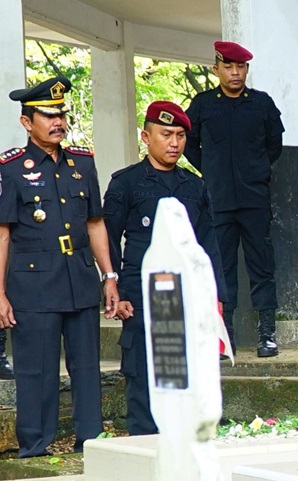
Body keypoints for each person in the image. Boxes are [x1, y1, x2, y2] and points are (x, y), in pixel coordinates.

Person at [0, 77, 119, 457]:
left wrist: (110, 276)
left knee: (87, 368)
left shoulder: (82, 163)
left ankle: (91, 443)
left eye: (62, 114)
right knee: (37, 371)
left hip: (80, 278)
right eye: (48, 115)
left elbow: (95, 222)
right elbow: (2, 234)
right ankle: (35, 447)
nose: (59, 122)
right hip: (33, 284)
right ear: (26, 121)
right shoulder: (11, 168)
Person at [103, 101, 226, 435]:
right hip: (140, 295)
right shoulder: (126, 183)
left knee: (192, 373)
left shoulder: (195, 186)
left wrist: (216, 298)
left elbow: (208, 245)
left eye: (181, 135)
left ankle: (188, 439)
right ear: (146, 136)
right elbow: (108, 240)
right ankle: (143, 443)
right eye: (166, 134)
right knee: (142, 374)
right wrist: (115, 290)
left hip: (188, 297)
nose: (174, 143)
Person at [184, 41, 284, 358]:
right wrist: (211, 172)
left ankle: (267, 334)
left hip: (254, 198)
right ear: (216, 69)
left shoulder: (261, 104)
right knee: (221, 268)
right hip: (218, 200)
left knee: (262, 267)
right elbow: (189, 144)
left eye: (240, 67)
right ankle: (224, 337)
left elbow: (274, 145)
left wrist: (255, 172)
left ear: (246, 70)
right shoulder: (202, 105)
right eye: (228, 67)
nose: (235, 72)